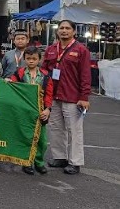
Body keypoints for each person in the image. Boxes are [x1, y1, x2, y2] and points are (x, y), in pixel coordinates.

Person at [42, 20, 91, 175]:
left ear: (74, 32)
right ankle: (60, 157)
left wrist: (84, 97)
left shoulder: (81, 50)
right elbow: (44, 71)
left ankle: (75, 162)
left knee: (74, 131)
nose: (64, 31)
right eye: (61, 28)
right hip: (54, 96)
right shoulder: (50, 49)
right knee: (56, 128)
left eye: (67, 28)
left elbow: (85, 75)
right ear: (57, 32)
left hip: (73, 97)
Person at [11, 46, 53, 175]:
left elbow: (49, 93)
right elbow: (13, 89)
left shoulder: (45, 75)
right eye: (28, 58)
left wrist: (47, 109)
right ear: (24, 59)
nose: (31, 61)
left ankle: (39, 162)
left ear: (39, 59)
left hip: (40, 111)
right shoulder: (19, 74)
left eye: (34, 59)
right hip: (24, 111)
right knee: (26, 137)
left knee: (42, 140)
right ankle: (27, 162)